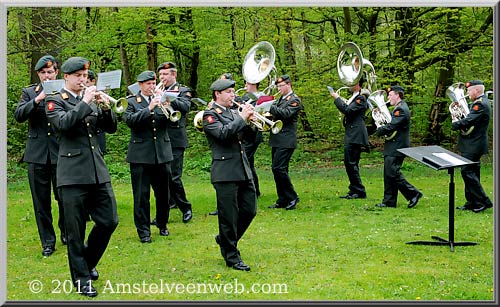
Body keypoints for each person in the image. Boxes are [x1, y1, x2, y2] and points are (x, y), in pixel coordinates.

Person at [45, 56, 119, 297]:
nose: (82, 80)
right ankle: (81, 279)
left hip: (97, 171)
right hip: (72, 174)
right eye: (78, 76)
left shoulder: (90, 100)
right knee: (75, 231)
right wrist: (86, 102)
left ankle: (85, 262)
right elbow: (64, 125)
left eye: (85, 77)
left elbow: (110, 128)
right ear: (66, 77)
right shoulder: (54, 101)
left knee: (109, 221)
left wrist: (106, 107)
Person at [202, 78, 257, 271]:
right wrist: (242, 119)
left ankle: (225, 240)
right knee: (228, 216)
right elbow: (223, 134)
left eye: (233, 92)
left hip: (242, 169)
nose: (233, 95)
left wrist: (252, 122)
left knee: (250, 210)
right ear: (217, 94)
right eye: (228, 92)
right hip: (225, 172)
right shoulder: (209, 115)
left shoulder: (235, 112)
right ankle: (232, 256)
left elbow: (252, 139)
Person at [14, 54, 66, 257]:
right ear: (38, 74)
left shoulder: (64, 93)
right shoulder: (29, 92)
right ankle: (48, 241)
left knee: (64, 198)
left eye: (50, 72)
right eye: (43, 73)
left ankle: (67, 233)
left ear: (57, 73)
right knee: (40, 201)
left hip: (60, 152)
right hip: (36, 155)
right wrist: (37, 99)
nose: (47, 76)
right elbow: (19, 115)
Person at [124, 70, 173, 243]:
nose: (152, 86)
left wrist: (167, 105)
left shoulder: (163, 100)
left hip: (162, 153)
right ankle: (143, 231)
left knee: (163, 194)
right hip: (140, 156)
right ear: (140, 85)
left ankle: (162, 223)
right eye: (148, 84)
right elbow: (130, 121)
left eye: (153, 83)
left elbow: (174, 121)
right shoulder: (131, 102)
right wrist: (149, 108)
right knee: (141, 195)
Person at [375, 85, 423, 208]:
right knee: (388, 173)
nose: (388, 98)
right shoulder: (398, 108)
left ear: (397, 95)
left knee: (393, 173)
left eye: (390, 95)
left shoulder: (400, 109)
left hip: (398, 145)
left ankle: (413, 193)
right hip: (393, 144)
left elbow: (392, 126)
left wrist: (380, 130)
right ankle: (389, 201)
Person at [156, 62, 193, 223]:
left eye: (166, 74)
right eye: (161, 75)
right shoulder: (156, 91)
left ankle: (186, 207)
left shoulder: (183, 91)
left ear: (174, 75)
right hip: (159, 138)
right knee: (160, 177)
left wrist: (167, 99)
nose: (162, 78)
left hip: (176, 138)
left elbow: (185, 107)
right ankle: (163, 213)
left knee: (173, 176)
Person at [451, 80, 493, 213]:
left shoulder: (480, 104)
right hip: (472, 143)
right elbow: (468, 113)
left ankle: (483, 201)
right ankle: (472, 201)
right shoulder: (477, 103)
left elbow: (469, 120)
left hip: (474, 143)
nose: (467, 93)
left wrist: (455, 124)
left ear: (476, 91)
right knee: (473, 172)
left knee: (467, 171)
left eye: (469, 91)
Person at [330, 77, 369, 199]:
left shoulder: (361, 98)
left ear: (358, 84)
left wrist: (337, 98)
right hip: (352, 133)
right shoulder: (355, 97)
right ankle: (354, 189)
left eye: (351, 83)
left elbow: (348, 110)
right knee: (351, 163)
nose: (348, 85)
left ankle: (359, 190)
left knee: (350, 162)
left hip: (356, 134)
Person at [267, 75, 302, 210]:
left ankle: (292, 197)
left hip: (286, 139)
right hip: (276, 139)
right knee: (278, 170)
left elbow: (286, 114)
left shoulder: (295, 100)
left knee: (278, 168)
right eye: (278, 86)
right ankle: (282, 199)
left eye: (281, 86)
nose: (279, 89)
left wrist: (270, 106)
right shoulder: (279, 100)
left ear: (288, 85)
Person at [239, 80, 264, 197]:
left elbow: (261, 114)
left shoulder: (261, 97)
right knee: (250, 164)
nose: (245, 86)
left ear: (254, 85)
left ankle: (248, 191)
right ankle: (255, 191)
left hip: (253, 135)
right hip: (244, 135)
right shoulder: (244, 97)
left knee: (244, 163)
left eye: (247, 84)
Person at [86, 70, 107, 155]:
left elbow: (108, 125)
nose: (85, 85)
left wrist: (105, 107)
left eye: (87, 82)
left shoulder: (100, 93)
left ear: (93, 81)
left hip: (98, 135)